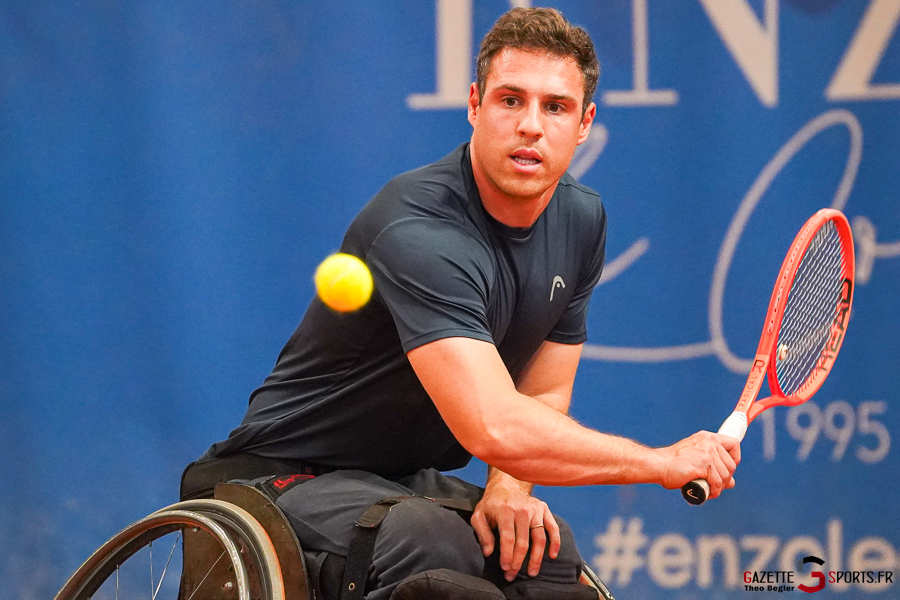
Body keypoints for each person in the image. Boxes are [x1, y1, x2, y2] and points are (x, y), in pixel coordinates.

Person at [182, 7, 740, 600]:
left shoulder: (581, 220)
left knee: (547, 559)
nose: (531, 125)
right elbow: (495, 425)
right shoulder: (418, 228)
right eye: (510, 101)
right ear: (475, 104)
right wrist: (660, 462)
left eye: (555, 107)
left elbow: (541, 395)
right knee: (432, 548)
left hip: (397, 483)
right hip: (280, 476)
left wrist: (507, 488)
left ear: (584, 124)